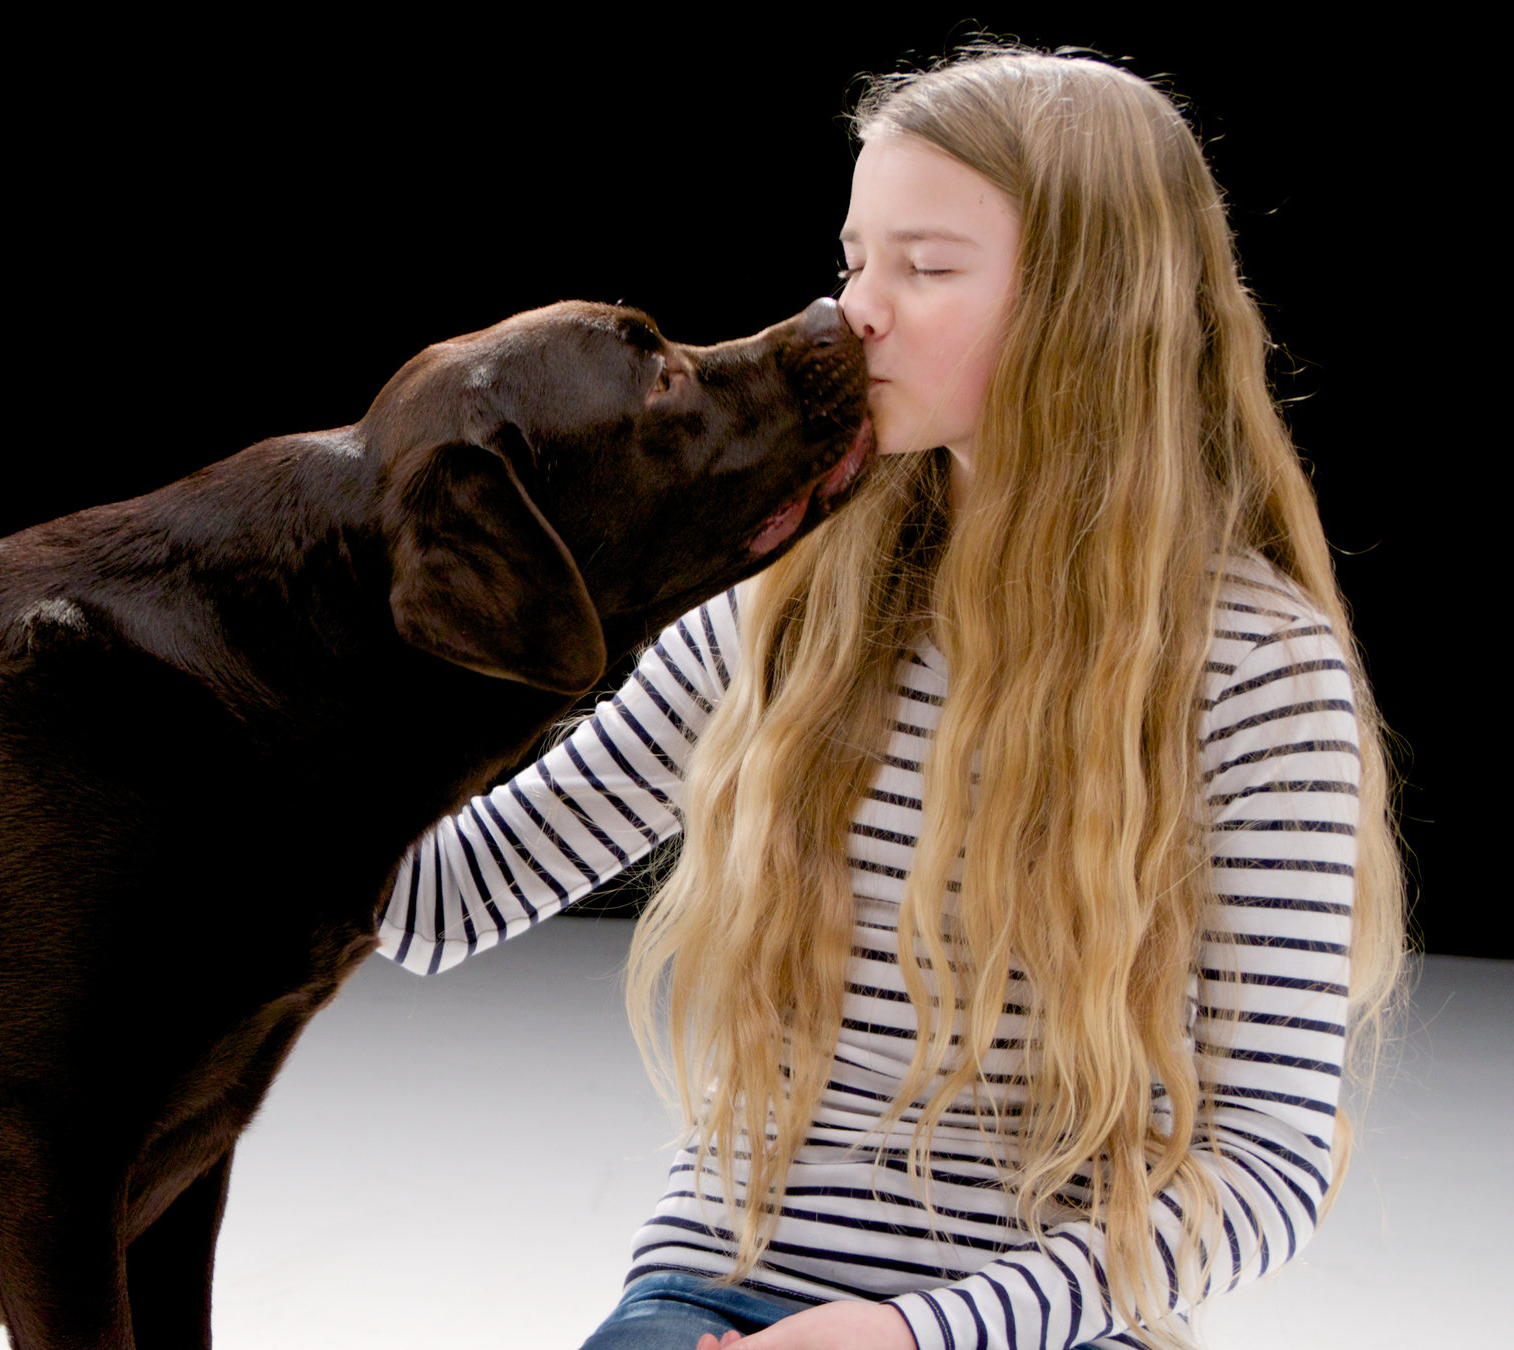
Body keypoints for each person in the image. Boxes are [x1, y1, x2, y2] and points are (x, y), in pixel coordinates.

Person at [377, 47, 1404, 1350]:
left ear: (1091, 305)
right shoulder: (789, 604)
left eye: (923, 268)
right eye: (856, 258)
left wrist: (924, 1333)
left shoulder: (1259, 671)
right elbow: (440, 904)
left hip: (1043, 1325)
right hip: (721, 1294)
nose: (854, 309)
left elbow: (1265, 1169)